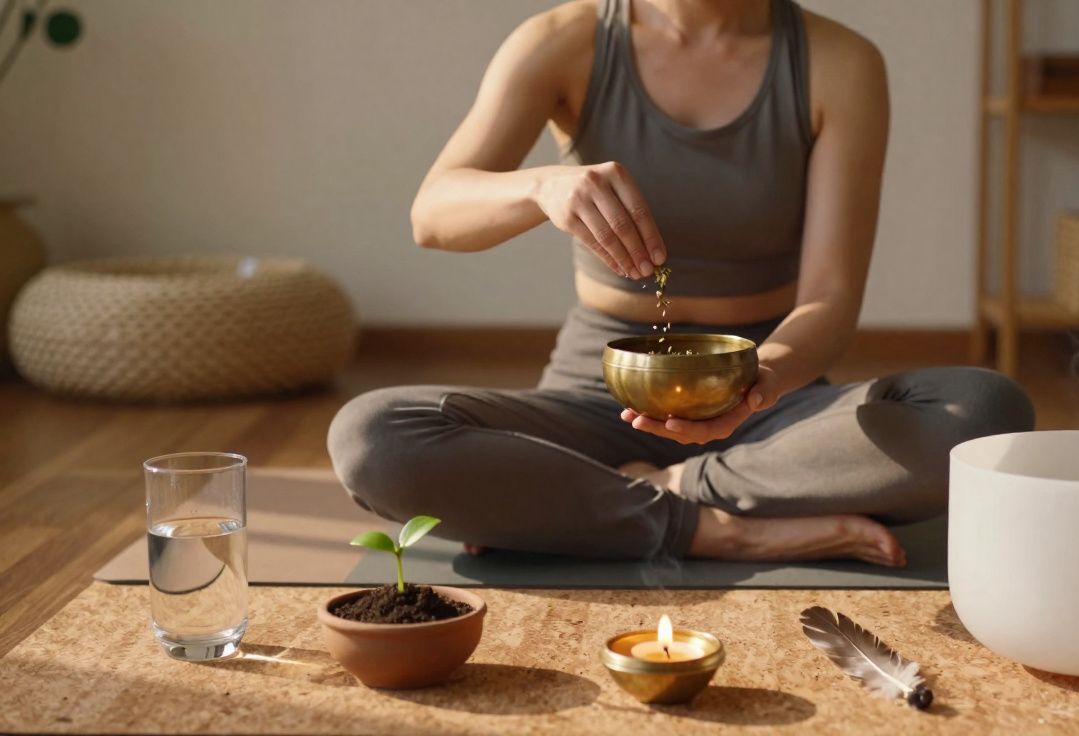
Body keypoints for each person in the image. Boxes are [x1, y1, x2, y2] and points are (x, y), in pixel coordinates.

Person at [328, 0, 1034, 567]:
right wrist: (540, 187)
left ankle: (632, 499)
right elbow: (433, 214)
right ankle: (715, 530)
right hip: (595, 404)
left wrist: (758, 382)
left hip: (769, 406)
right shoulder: (563, 40)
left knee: (982, 415)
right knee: (372, 438)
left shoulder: (840, 62)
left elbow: (830, 298)